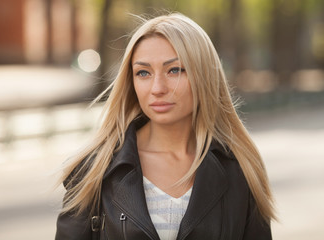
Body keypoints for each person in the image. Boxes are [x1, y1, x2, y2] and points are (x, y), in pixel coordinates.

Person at [55, 12, 276, 240]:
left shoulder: (241, 170)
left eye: (174, 70)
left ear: (203, 76)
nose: (157, 88)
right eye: (143, 73)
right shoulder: (95, 170)